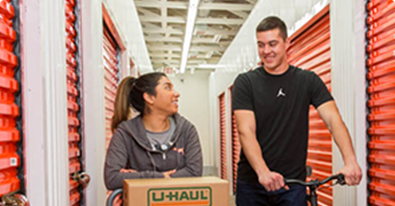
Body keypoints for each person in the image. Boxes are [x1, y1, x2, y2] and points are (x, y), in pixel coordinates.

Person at [232, 16, 362, 206]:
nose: (266, 51)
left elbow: (334, 121)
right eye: (261, 45)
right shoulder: (246, 82)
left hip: (292, 185)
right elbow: (246, 131)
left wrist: (350, 160)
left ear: (287, 43)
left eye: (273, 44)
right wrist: (263, 172)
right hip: (253, 184)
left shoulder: (307, 81)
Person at [104, 72, 203, 190]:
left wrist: (136, 177)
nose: (177, 94)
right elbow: (112, 178)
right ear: (150, 98)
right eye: (167, 88)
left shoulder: (187, 130)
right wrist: (158, 177)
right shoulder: (125, 133)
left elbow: (194, 172)